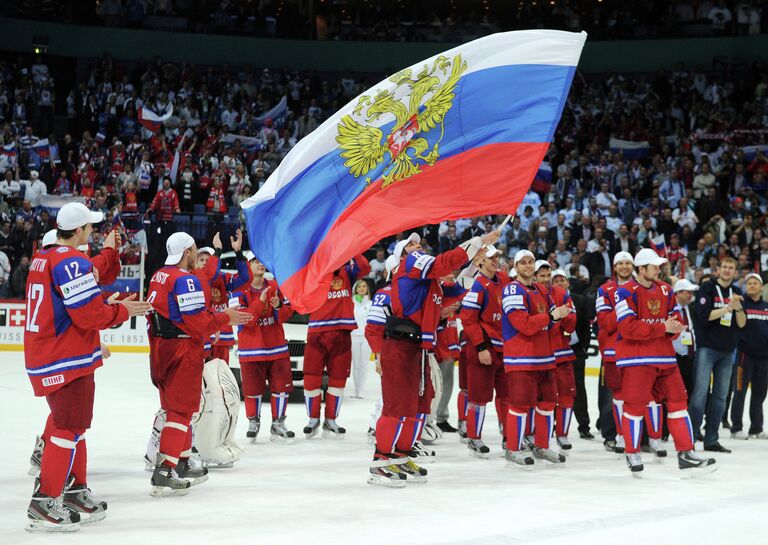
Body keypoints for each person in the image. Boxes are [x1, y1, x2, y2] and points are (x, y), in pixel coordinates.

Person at [24, 203, 151, 532]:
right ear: (79, 231)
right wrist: (122, 311)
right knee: (68, 427)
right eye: (89, 228)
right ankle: (46, 500)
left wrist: (108, 257)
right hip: (64, 357)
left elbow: (83, 285)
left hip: (51, 353)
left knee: (71, 423)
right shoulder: (70, 261)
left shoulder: (46, 257)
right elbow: (89, 314)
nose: (92, 232)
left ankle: (76, 489)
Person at [367, 231, 496, 486]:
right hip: (400, 346)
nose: (418, 246)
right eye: (411, 244)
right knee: (395, 406)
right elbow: (444, 263)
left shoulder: (429, 283)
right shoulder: (410, 264)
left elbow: (459, 288)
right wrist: (478, 241)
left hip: (418, 349)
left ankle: (400, 455)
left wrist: (473, 264)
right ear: (402, 254)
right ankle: (380, 462)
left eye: (418, 243)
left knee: (416, 407)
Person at [145, 232, 252, 497]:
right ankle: (166, 468)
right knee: (181, 412)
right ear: (186, 252)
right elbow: (197, 323)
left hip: (161, 349)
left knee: (175, 409)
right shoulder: (185, 279)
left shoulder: (159, 275)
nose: (196, 255)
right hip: (182, 350)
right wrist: (224, 318)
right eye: (194, 250)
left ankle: (180, 461)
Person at [614, 248, 715, 474]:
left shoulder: (666, 290)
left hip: (665, 357)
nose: (659, 269)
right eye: (655, 266)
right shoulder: (624, 292)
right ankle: (632, 452)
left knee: (679, 402)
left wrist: (674, 328)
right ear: (641, 269)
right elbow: (627, 327)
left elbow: (675, 317)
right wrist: (662, 328)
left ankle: (686, 452)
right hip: (636, 359)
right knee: (635, 406)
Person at [502, 249, 569, 467]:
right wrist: (551, 316)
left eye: (531, 262)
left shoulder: (541, 289)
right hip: (521, 358)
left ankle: (542, 445)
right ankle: (513, 448)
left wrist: (557, 316)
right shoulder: (512, 289)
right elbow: (523, 324)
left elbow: (549, 322)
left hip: (545, 358)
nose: (529, 266)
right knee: (520, 405)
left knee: (548, 403)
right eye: (524, 263)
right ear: (516, 265)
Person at [303, 253, 371, 438]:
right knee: (311, 378)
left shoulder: (347, 273)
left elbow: (365, 268)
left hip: (341, 331)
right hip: (317, 332)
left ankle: (331, 420)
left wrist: (353, 249)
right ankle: (313, 419)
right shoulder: (314, 273)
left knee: (338, 379)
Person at [234, 254, 296, 443]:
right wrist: (260, 301)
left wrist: (277, 307)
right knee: (252, 389)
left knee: (282, 388)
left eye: (262, 260)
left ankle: (278, 424)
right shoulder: (238, 289)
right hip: (251, 349)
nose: (261, 264)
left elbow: (287, 313)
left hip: (276, 347)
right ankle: (253, 422)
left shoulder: (276, 286)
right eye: (256, 261)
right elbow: (244, 319)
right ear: (248, 265)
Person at [689, 257, 746, 453]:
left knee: (721, 397)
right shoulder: (707, 288)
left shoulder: (737, 292)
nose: (728, 271)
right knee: (700, 394)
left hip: (728, 351)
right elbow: (704, 316)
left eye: (732, 268)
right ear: (718, 269)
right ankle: (691, 437)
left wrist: (737, 309)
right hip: (707, 349)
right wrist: (726, 308)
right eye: (725, 267)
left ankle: (711, 439)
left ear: (736, 272)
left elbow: (741, 323)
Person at [459, 245, 510, 458]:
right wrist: (481, 347)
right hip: (484, 348)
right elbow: (468, 320)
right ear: (480, 262)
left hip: (503, 348)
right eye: (490, 258)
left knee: (507, 395)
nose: (495, 261)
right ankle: (474, 437)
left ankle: (510, 435)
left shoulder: (505, 280)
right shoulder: (478, 286)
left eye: (496, 257)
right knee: (479, 396)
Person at [535, 261, 578, 451]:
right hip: (536, 356)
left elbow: (571, 324)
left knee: (567, 397)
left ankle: (562, 434)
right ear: (535, 276)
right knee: (538, 399)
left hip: (561, 354)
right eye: (541, 275)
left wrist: (560, 316)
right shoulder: (527, 293)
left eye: (547, 275)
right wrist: (555, 316)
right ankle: (534, 434)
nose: (545, 279)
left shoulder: (561, 293)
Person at [595, 251, 634, 453]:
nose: (625, 267)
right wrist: (626, 309)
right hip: (613, 351)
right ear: (615, 267)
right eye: (621, 264)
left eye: (628, 263)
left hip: (637, 351)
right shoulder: (604, 290)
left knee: (635, 396)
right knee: (611, 398)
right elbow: (605, 322)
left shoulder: (641, 287)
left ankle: (633, 436)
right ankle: (611, 435)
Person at [729, 273, 768, 440]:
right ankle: (736, 428)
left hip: (764, 358)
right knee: (739, 392)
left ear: (761, 287)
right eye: (749, 283)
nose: (752, 286)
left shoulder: (766, 306)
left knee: (760, 394)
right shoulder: (741, 303)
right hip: (745, 356)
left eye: (755, 283)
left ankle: (756, 428)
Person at [671, 279, 699, 396]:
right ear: (678, 293)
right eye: (688, 292)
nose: (691, 295)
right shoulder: (669, 310)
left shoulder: (692, 309)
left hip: (691, 359)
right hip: (675, 359)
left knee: (690, 391)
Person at [351, 279, 373, 398]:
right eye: (359, 287)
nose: (362, 288)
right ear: (356, 289)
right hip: (354, 336)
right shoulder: (351, 303)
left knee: (364, 363)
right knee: (356, 364)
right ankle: (356, 389)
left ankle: (361, 390)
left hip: (366, 337)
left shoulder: (370, 304)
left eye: (364, 286)